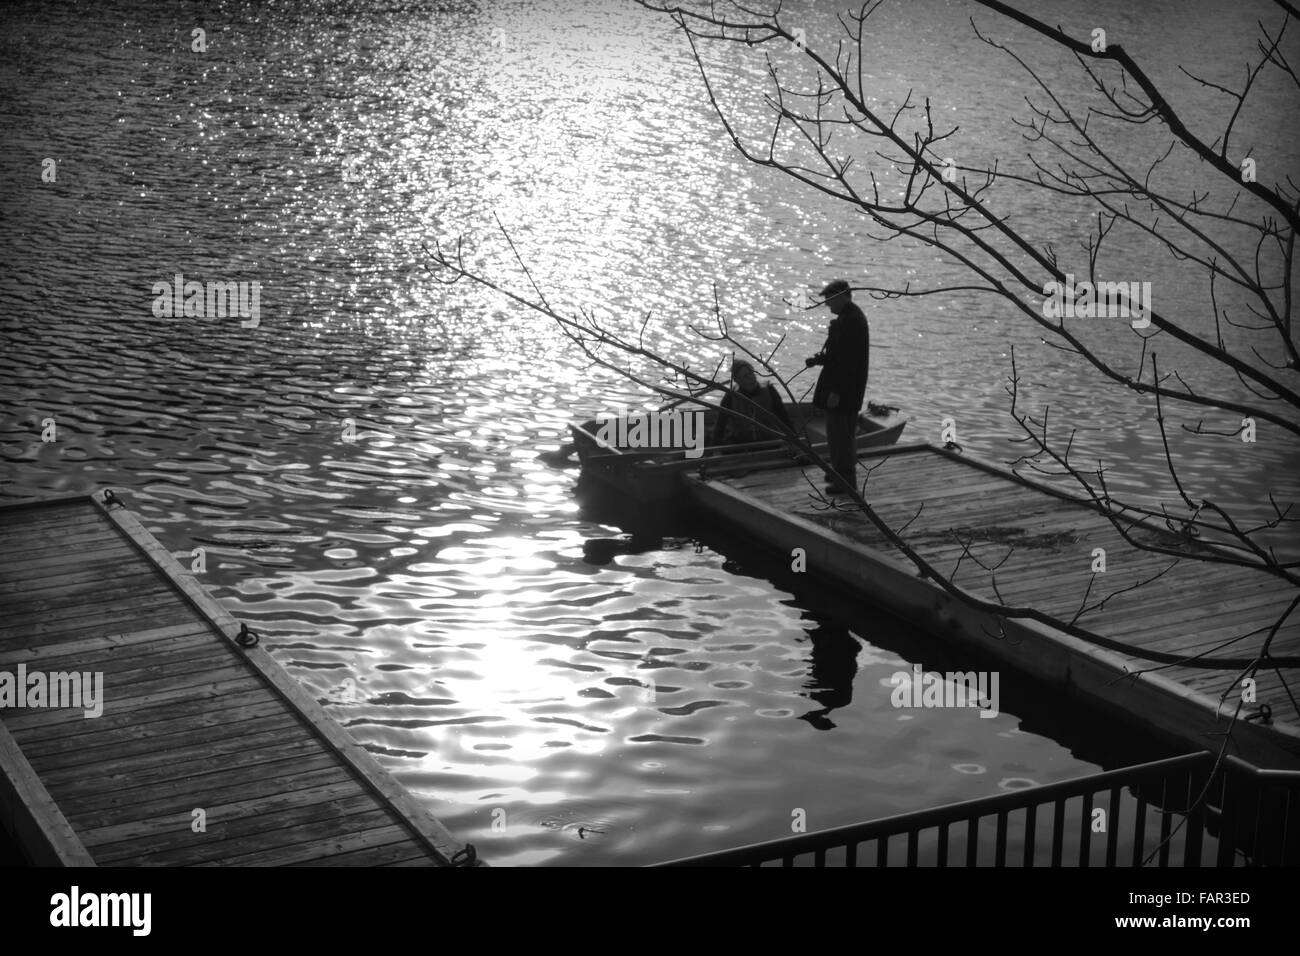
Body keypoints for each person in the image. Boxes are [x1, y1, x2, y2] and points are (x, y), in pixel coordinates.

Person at [805, 279, 869, 495]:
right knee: (839, 434)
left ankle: (845, 481)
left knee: (840, 436)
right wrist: (819, 359)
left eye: (829, 300)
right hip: (848, 390)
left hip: (844, 392)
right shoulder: (848, 318)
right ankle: (839, 473)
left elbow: (847, 363)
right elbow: (838, 355)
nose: (827, 305)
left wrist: (836, 392)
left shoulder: (851, 321)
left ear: (841, 296)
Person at [711, 359, 795, 447]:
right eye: (745, 376)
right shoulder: (730, 397)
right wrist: (716, 448)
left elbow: (783, 417)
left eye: (751, 373)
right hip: (742, 444)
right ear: (736, 380)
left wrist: (794, 438)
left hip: (770, 442)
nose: (751, 377)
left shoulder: (769, 390)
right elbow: (720, 425)